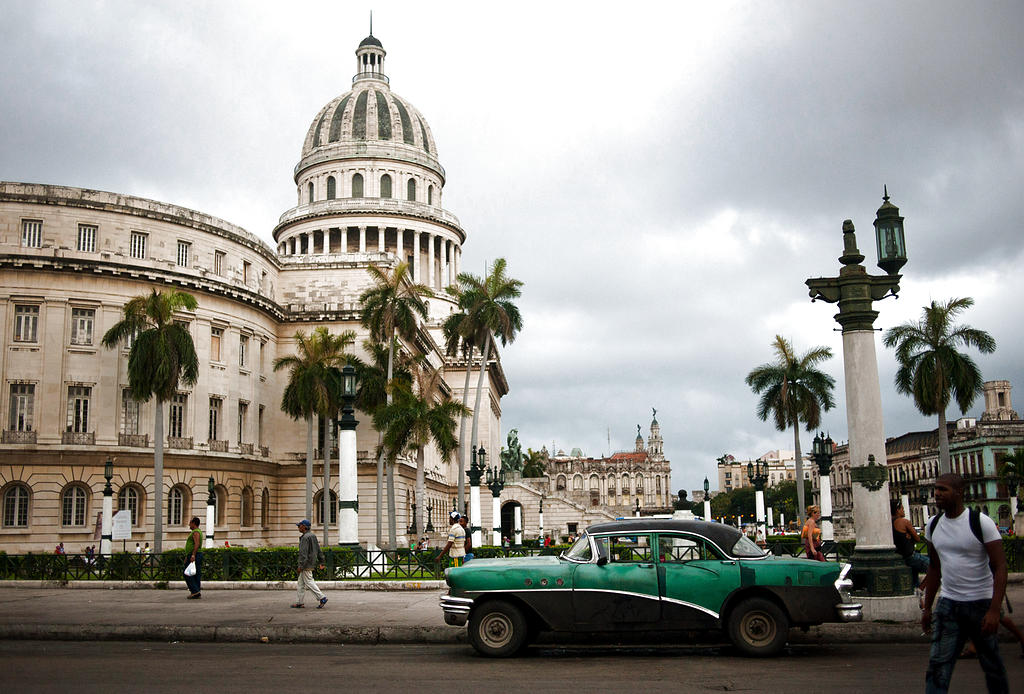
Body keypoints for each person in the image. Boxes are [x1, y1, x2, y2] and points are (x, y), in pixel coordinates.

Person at [921, 473, 1009, 693]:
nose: (937, 494)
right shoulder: (933, 525)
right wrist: (928, 607)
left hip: (980, 603)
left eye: (943, 490)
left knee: (992, 666)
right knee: (938, 667)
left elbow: (1000, 567)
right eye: (936, 489)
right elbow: (934, 568)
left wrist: (994, 610)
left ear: (959, 493)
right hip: (949, 604)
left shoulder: (981, 523)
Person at [891, 500, 929, 584]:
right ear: (897, 510)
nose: (904, 510)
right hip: (910, 556)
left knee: (914, 577)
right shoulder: (904, 522)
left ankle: (916, 588)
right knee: (934, 568)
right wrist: (909, 535)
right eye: (902, 508)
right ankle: (921, 588)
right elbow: (917, 538)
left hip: (899, 556)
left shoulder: (889, 522)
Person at [292, 519, 327, 609]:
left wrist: (301, 566)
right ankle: (300, 602)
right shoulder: (312, 536)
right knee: (301, 583)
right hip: (311, 562)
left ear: (304, 526)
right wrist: (322, 561)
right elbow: (318, 550)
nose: (298, 527)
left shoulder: (305, 538)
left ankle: (321, 597)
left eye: (299, 526)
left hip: (306, 564)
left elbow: (303, 554)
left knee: (309, 582)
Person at [183, 516, 203, 599]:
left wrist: (193, 555)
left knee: (187, 573)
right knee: (195, 574)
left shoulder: (195, 532)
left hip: (195, 555)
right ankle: (196, 591)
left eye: (190, 523)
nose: (189, 524)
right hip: (193, 555)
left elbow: (197, 544)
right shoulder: (197, 531)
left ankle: (194, 591)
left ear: (194, 523)